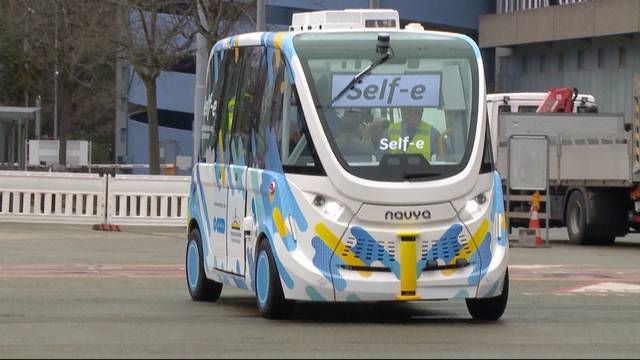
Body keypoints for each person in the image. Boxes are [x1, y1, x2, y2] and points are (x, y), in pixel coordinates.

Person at [370, 107, 441, 161]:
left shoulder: (433, 133)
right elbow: (380, 159)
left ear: (422, 110)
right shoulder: (389, 131)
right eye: (408, 110)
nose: (411, 113)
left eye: (415, 111)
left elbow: (442, 161)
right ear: (401, 109)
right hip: (395, 175)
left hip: (424, 176)